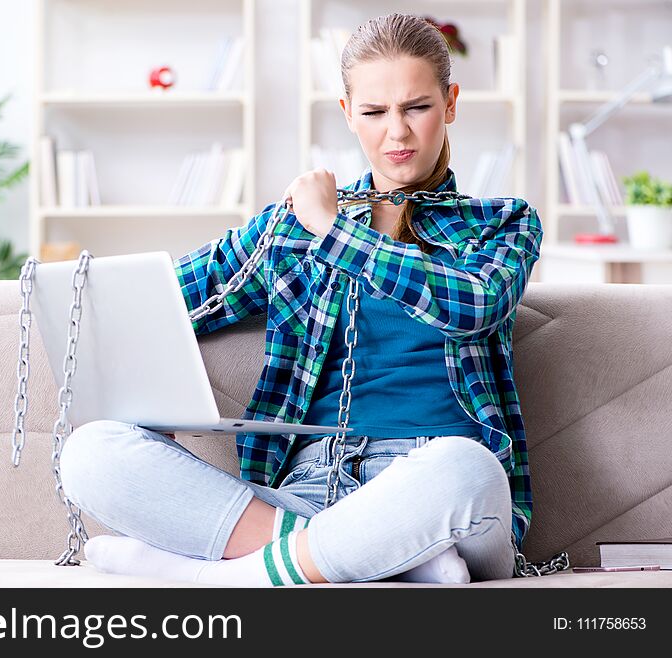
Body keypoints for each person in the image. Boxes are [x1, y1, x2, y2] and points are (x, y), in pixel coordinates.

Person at [58, 13, 542, 586]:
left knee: (466, 466)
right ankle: (382, 561)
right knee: (91, 453)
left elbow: (473, 306)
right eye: (374, 112)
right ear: (347, 114)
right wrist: (73, 295)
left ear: (451, 103)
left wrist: (334, 232)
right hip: (308, 490)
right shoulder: (295, 229)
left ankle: (228, 578)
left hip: (437, 491)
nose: (397, 133)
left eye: (417, 107)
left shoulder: (503, 224)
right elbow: (169, 298)